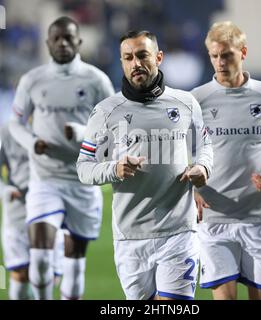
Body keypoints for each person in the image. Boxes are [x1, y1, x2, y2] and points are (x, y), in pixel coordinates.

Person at [77, 30, 213, 300]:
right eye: (128, 58)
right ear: (122, 62)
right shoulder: (106, 112)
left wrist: (203, 168)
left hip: (179, 230)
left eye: (142, 55)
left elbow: (205, 147)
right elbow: (84, 168)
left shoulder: (185, 104)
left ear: (159, 57)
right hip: (130, 236)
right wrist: (113, 169)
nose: (135, 63)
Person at [9, 16, 115, 300]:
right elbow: (15, 123)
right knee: (41, 257)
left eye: (69, 38)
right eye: (56, 38)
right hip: (45, 179)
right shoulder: (33, 80)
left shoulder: (96, 80)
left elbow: (117, 127)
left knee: (74, 266)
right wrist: (33, 143)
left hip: (83, 182)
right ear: (48, 43)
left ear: (79, 41)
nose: (63, 43)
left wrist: (82, 132)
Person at [191, 21, 261, 300]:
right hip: (214, 220)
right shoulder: (196, 101)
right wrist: (191, 190)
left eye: (227, 55)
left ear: (243, 52)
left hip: (259, 218)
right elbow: (181, 156)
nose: (220, 62)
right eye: (214, 56)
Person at [0, 124, 64, 299]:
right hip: (17, 210)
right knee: (20, 272)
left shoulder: (52, 128)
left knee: (47, 273)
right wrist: (4, 190)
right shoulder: (5, 131)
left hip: (48, 208)